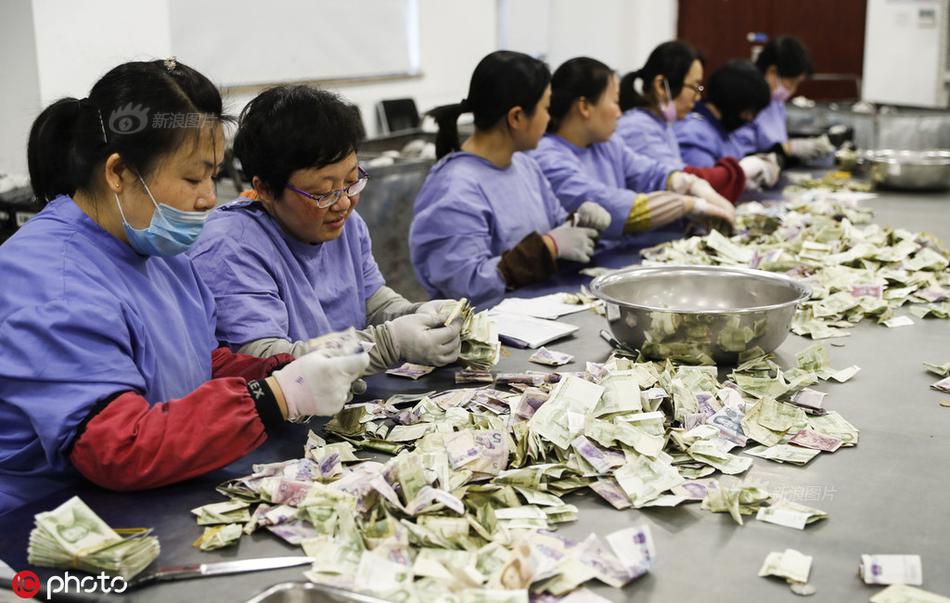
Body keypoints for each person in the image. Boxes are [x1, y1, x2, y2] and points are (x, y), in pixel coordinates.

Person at [0, 60, 367, 516]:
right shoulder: (49, 282)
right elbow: (115, 447)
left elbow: (194, 364)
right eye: (194, 178)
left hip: (156, 490)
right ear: (119, 173)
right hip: (45, 522)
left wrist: (289, 364)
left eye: (213, 175)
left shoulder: (160, 251)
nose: (210, 197)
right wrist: (272, 398)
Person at [190, 86, 461, 374]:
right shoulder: (229, 248)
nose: (343, 202)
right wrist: (388, 343)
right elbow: (265, 362)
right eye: (322, 193)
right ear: (265, 189)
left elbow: (369, 300)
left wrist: (415, 313)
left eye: (352, 180)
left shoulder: (343, 224)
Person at [410, 51, 611, 309]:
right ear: (516, 117)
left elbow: (554, 226)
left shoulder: (526, 166)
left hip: (538, 314)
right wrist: (547, 247)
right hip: (485, 333)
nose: (549, 118)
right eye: (545, 108)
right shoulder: (454, 187)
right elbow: (463, 286)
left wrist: (578, 224)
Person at [531, 57, 736, 250]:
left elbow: (650, 173)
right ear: (584, 107)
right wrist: (689, 204)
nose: (620, 113)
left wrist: (690, 184)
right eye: (614, 102)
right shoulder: (548, 157)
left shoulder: (607, 145)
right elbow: (608, 204)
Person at [617, 41, 746, 202]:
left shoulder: (661, 124)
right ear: (661, 87)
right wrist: (743, 170)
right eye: (694, 87)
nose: (697, 98)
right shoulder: (638, 128)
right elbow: (678, 183)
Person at [674, 59, 780, 189]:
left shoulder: (722, 129)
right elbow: (704, 186)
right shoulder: (694, 134)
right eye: (748, 112)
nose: (750, 119)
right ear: (733, 104)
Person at [730, 36, 832, 161]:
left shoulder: (776, 103)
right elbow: (740, 155)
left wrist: (788, 148)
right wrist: (787, 149)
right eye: (791, 82)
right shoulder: (745, 101)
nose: (793, 90)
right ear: (772, 73)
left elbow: (778, 140)